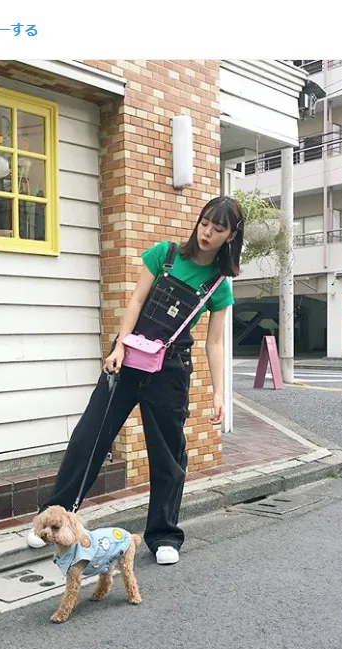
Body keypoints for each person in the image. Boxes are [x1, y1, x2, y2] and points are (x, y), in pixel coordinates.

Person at [27, 196, 244, 564]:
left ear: (231, 236)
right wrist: (119, 347)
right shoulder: (165, 254)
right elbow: (136, 302)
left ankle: (164, 536)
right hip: (126, 361)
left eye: (218, 229)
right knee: (89, 437)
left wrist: (220, 392)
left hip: (171, 370)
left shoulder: (219, 285)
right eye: (205, 223)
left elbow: (215, 342)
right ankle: (54, 519)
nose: (207, 232)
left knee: (168, 454)